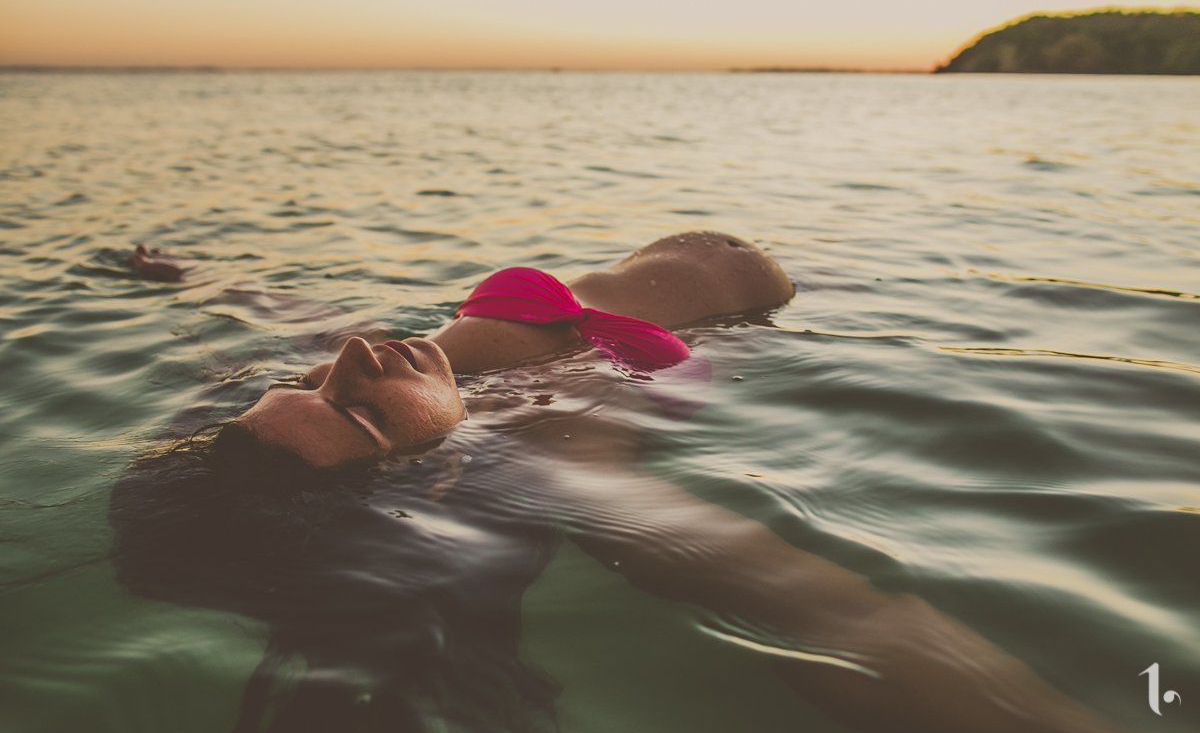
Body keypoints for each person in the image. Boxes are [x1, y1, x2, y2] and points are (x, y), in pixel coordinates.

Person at [110, 232, 1125, 733]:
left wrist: (192, 277)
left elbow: (269, 314)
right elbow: (852, 619)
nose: (358, 356)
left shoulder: (385, 372)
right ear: (418, 484)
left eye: (308, 379)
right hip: (821, 301)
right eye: (360, 410)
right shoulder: (567, 466)